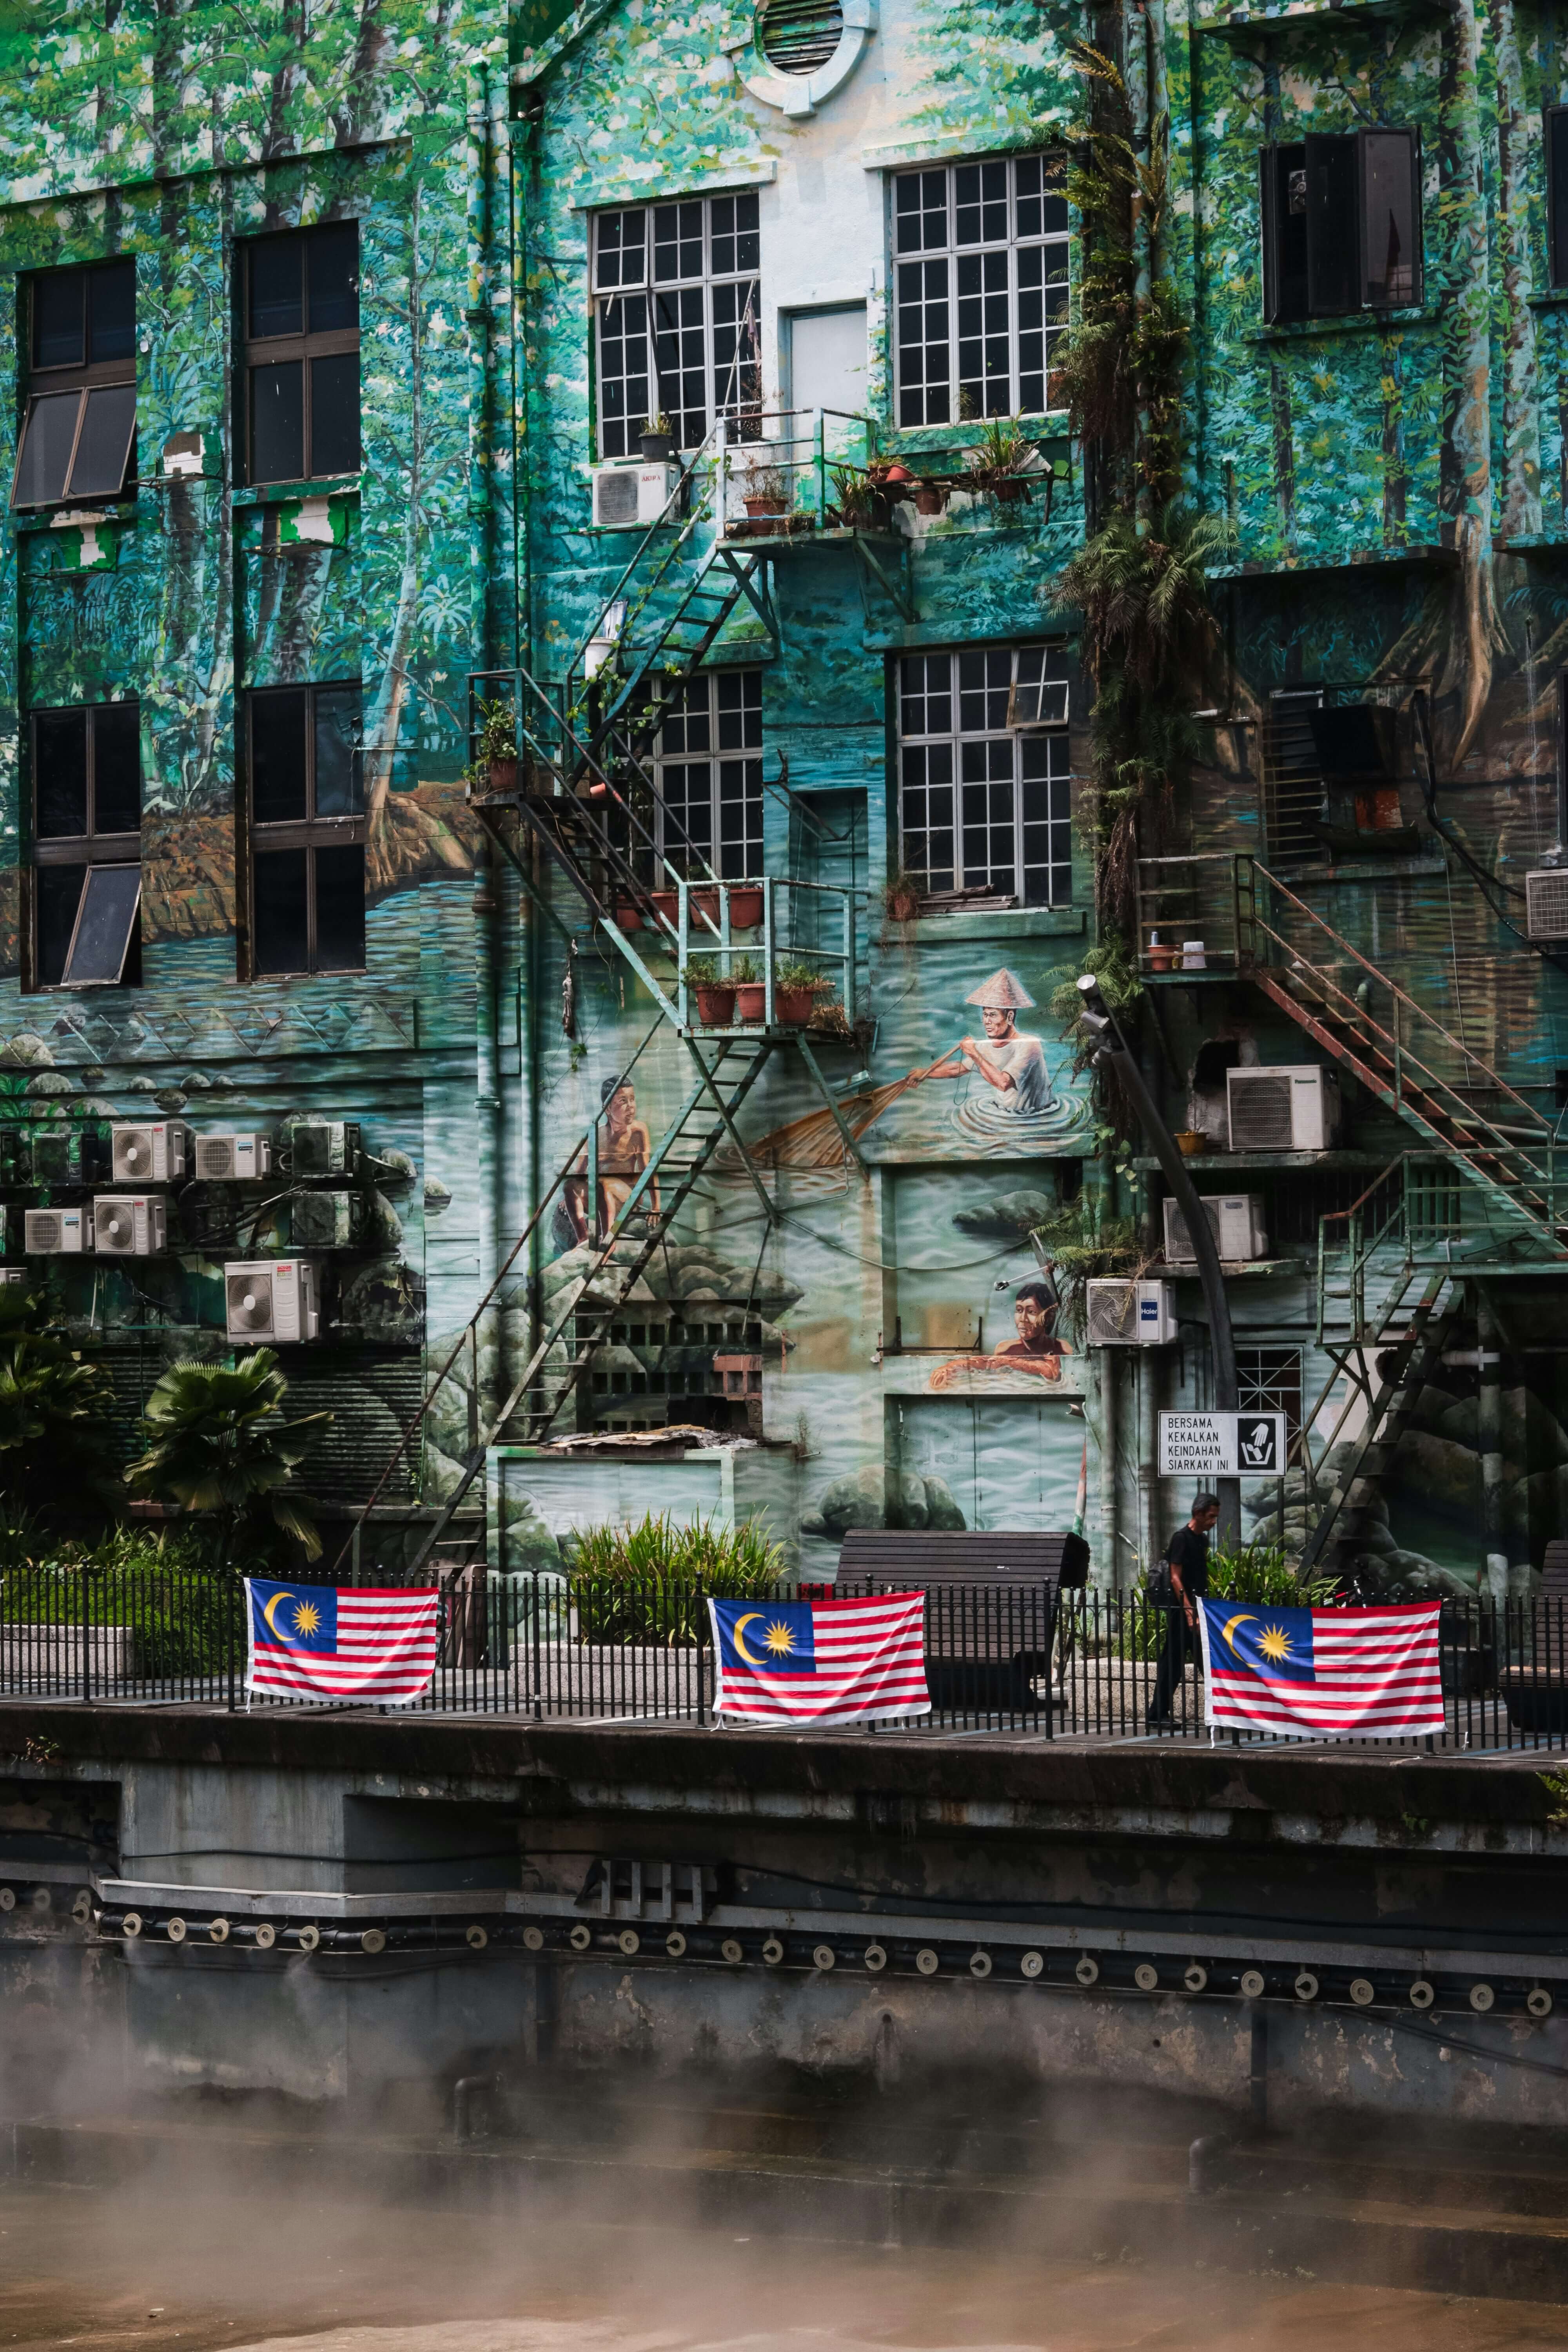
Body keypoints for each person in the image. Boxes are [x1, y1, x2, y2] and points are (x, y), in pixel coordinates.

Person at [1147, 1492, 1220, 1728]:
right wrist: (1190, 1613)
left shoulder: (1202, 1540)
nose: (1214, 1521)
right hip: (1183, 1611)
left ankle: (1220, 1711)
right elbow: (1176, 1578)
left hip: (1199, 1608)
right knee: (1175, 1664)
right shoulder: (1181, 1538)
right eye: (1211, 1516)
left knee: (1205, 1662)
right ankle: (1157, 1715)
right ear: (1198, 1514)